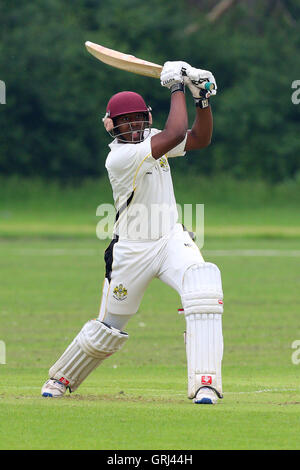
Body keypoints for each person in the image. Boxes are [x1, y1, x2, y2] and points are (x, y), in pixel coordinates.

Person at [41, 61, 224, 404]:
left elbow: (199, 138)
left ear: (147, 118)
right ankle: (61, 378)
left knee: (204, 290)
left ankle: (206, 383)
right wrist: (176, 87)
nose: (133, 126)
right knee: (109, 328)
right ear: (111, 126)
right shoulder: (121, 158)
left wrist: (202, 99)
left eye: (138, 119)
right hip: (131, 250)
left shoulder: (153, 138)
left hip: (171, 240)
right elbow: (174, 133)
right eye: (125, 121)